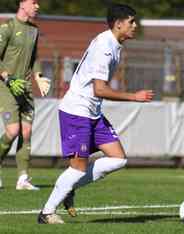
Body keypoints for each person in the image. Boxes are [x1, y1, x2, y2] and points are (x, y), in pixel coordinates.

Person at [38, 4, 154, 224]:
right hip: (77, 111)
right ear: (118, 24)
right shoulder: (105, 47)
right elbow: (99, 90)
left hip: (93, 112)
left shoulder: (114, 44)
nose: (135, 26)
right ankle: (46, 213)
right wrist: (134, 97)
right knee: (78, 168)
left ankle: (68, 189)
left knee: (118, 159)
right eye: (132, 21)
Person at [0, 0, 51, 190]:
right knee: (12, 131)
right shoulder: (7, 28)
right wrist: (8, 78)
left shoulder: (34, 30)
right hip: (5, 88)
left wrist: (38, 77)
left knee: (26, 133)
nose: (38, 6)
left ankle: (23, 179)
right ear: (22, 4)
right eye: (34, 2)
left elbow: (34, 57)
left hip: (26, 88)